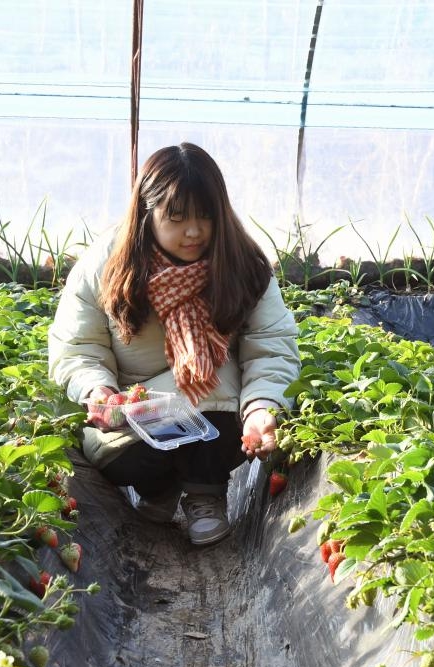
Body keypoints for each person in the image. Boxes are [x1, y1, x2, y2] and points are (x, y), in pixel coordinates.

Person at [48, 142, 301, 546]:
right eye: (177, 217)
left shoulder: (243, 265)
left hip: (217, 417)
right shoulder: (106, 265)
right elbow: (79, 346)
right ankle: (158, 488)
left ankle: (205, 492)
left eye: (206, 216)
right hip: (133, 426)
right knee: (135, 450)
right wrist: (98, 389)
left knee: (210, 374)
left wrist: (262, 407)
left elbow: (271, 346)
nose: (195, 231)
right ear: (147, 214)